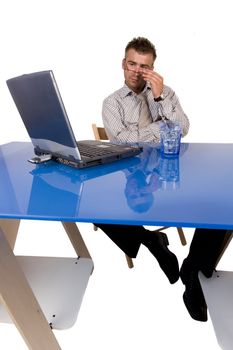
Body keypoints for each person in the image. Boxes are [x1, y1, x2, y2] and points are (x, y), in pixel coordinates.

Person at [94, 37, 231, 322]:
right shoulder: (112, 102)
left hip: (170, 173)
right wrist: (160, 129)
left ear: (152, 69)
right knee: (96, 207)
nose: (137, 71)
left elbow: (185, 129)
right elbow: (121, 141)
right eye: (132, 64)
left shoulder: (165, 93)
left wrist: (158, 99)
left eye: (144, 67)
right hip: (128, 175)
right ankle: (150, 241)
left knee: (220, 200)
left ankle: (194, 272)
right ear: (123, 64)